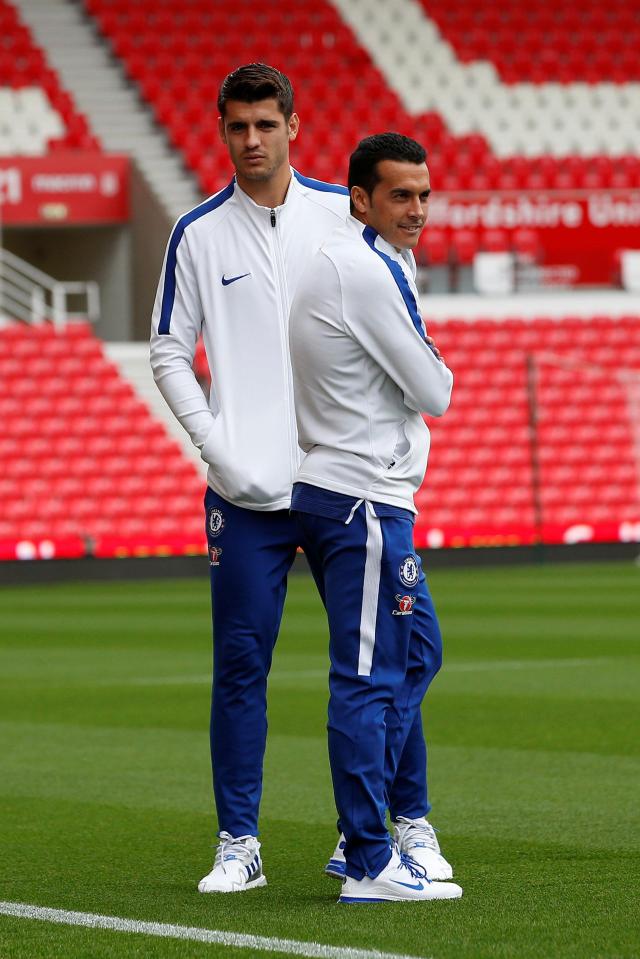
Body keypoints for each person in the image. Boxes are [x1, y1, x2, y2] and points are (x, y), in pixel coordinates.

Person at [150, 63, 451, 894]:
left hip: (345, 484)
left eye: (266, 125)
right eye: (238, 127)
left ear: (292, 125)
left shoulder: (344, 213)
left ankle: (404, 824)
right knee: (242, 664)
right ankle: (238, 842)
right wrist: (217, 447)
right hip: (247, 496)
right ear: (221, 130)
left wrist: (399, 454)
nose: (253, 141)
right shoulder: (198, 233)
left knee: (398, 653)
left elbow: (401, 331)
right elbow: (170, 350)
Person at [289, 133, 462, 903]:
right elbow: (434, 387)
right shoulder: (360, 267)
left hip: (373, 496)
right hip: (358, 498)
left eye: (424, 194)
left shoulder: (383, 258)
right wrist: (427, 371)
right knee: (365, 676)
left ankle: (366, 831)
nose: (417, 209)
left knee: (417, 652)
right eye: (401, 195)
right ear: (360, 197)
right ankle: (365, 857)